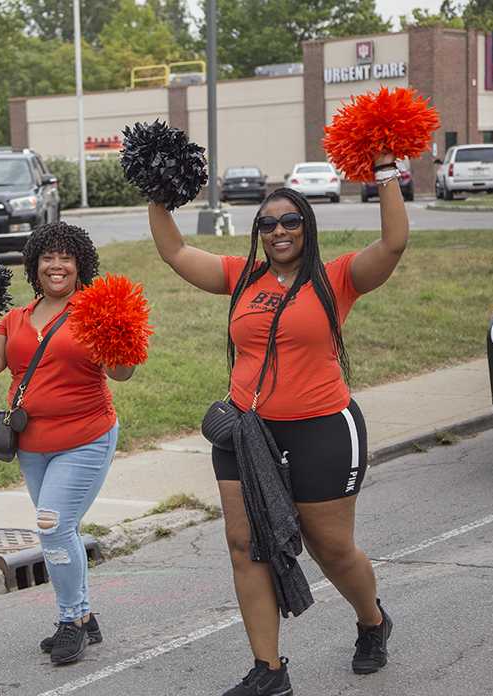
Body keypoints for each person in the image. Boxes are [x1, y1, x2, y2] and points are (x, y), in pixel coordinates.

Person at [147, 151, 409, 695]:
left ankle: (372, 621)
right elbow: (173, 250)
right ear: (259, 232)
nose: (279, 230)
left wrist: (385, 173)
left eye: (290, 220)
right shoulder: (241, 277)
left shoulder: (336, 279)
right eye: (267, 223)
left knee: (329, 548)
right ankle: (270, 671)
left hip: (322, 429)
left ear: (307, 227)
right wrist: (157, 190)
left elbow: (392, 245)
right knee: (244, 546)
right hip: (245, 432)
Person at [0, 221, 136, 665]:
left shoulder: (94, 309)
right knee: (61, 528)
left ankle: (69, 622)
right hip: (31, 443)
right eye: (48, 257)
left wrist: (119, 330)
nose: (57, 265)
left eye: (66, 257)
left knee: (52, 526)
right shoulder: (17, 317)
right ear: (34, 266)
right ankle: (84, 615)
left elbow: (121, 372)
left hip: (86, 437)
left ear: (80, 265)